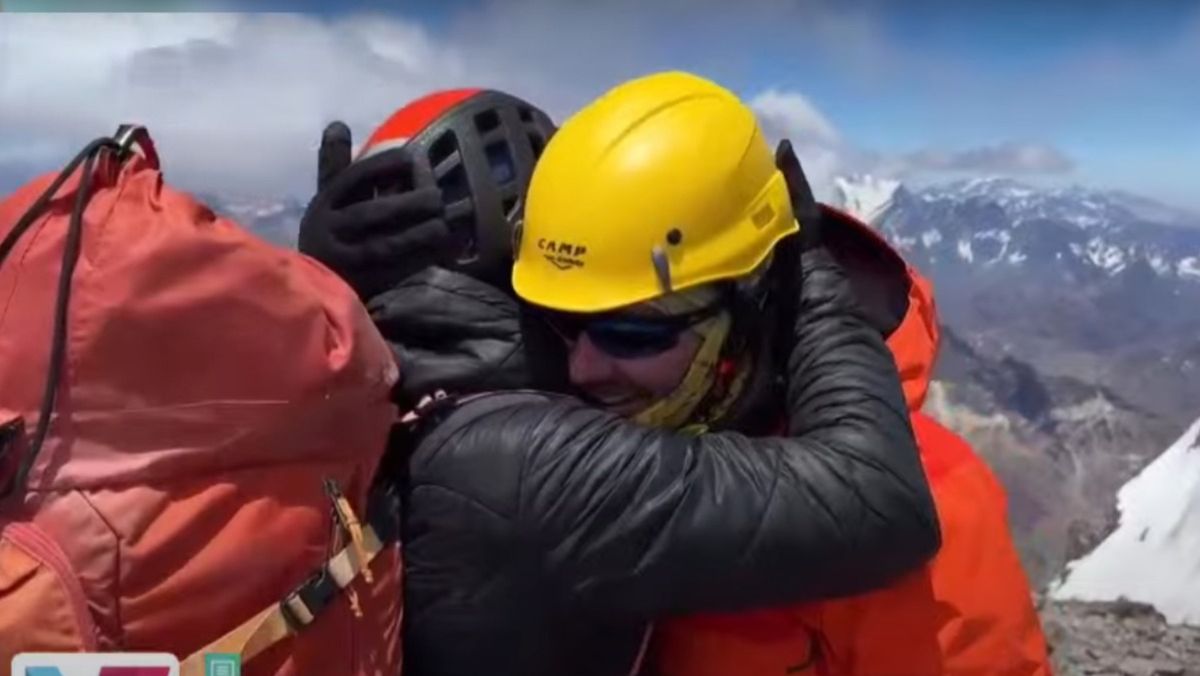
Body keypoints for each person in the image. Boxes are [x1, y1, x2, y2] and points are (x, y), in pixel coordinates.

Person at [300, 84, 942, 675]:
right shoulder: (523, 463)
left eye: (627, 331)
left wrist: (316, 292)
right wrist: (806, 272)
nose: (582, 364)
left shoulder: (348, 380)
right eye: (563, 321)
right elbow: (878, 501)